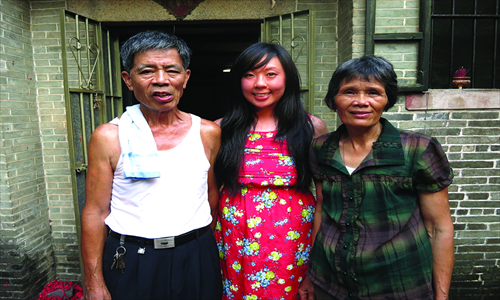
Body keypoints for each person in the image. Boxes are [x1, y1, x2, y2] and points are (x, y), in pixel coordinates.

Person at [80, 31, 222, 300]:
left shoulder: (207, 132)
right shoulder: (109, 136)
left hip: (195, 255)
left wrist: (197, 247)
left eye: (171, 70)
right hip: (132, 259)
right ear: (128, 80)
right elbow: (95, 212)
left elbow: (211, 196)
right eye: (147, 71)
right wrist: (94, 282)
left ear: (186, 78)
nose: (161, 80)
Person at [299, 55, 455, 300]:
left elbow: (439, 228)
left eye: (373, 92)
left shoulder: (417, 149)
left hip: (398, 284)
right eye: (349, 92)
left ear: (386, 100)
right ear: (333, 100)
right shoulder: (320, 148)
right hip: (330, 284)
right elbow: (322, 208)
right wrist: (311, 272)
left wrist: (442, 295)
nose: (361, 102)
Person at [214, 42, 329, 299]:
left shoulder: (312, 127)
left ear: (287, 77)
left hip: (293, 238)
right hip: (235, 238)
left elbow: (324, 198)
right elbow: (208, 192)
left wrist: (315, 262)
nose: (259, 83)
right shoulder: (219, 129)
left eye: (270, 74)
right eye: (249, 75)